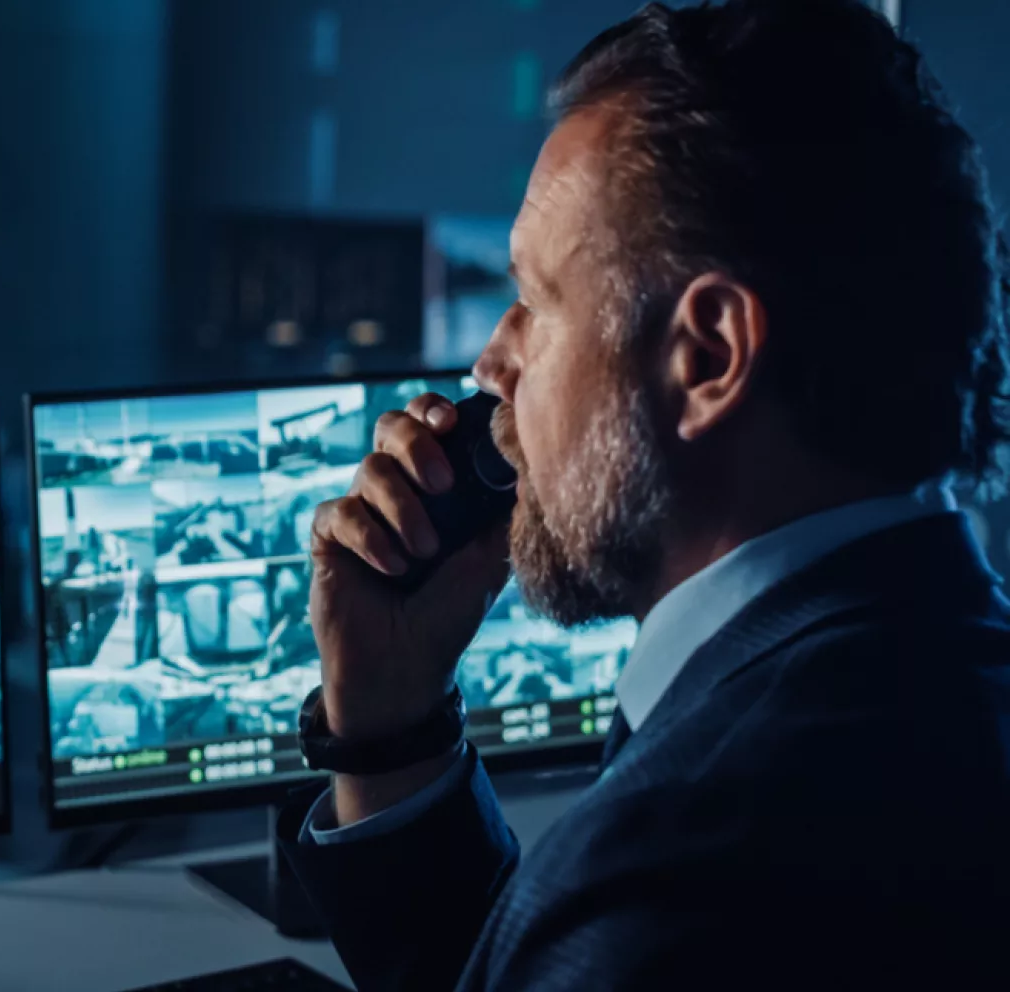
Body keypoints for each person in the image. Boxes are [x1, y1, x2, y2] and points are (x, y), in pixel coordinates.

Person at [282, 2, 1010, 989]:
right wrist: (391, 729)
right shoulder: (932, 678)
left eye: (537, 303)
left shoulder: (685, 863)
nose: (491, 362)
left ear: (707, 353)